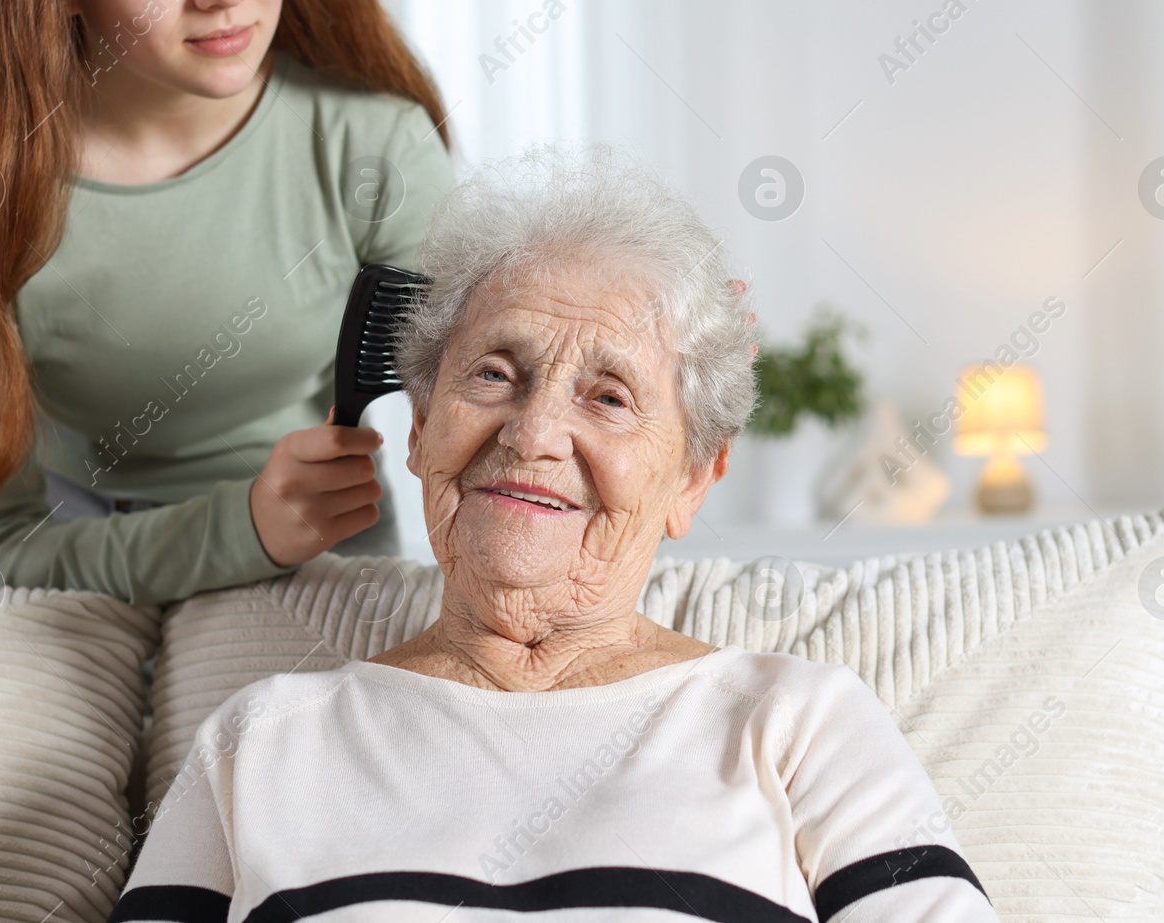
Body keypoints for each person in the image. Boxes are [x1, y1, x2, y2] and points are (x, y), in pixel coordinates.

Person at [109, 147, 998, 922]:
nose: (532, 434)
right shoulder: (261, 742)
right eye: (494, 373)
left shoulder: (797, 725)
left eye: (608, 395)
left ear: (692, 478)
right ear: (418, 431)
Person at [0, 0, 455, 604]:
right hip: (85, 601)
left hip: (332, 578)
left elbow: (482, 427)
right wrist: (238, 531)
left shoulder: (376, 149)